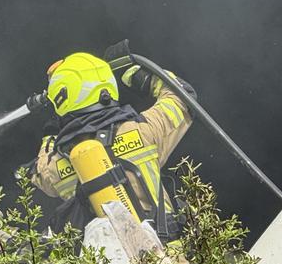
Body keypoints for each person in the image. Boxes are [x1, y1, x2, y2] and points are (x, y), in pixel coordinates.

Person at [28, 51, 194, 240]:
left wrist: (50, 135)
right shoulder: (144, 130)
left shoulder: (55, 167)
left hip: (108, 258)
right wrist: (137, 75)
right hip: (168, 253)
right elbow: (182, 96)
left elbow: (37, 172)